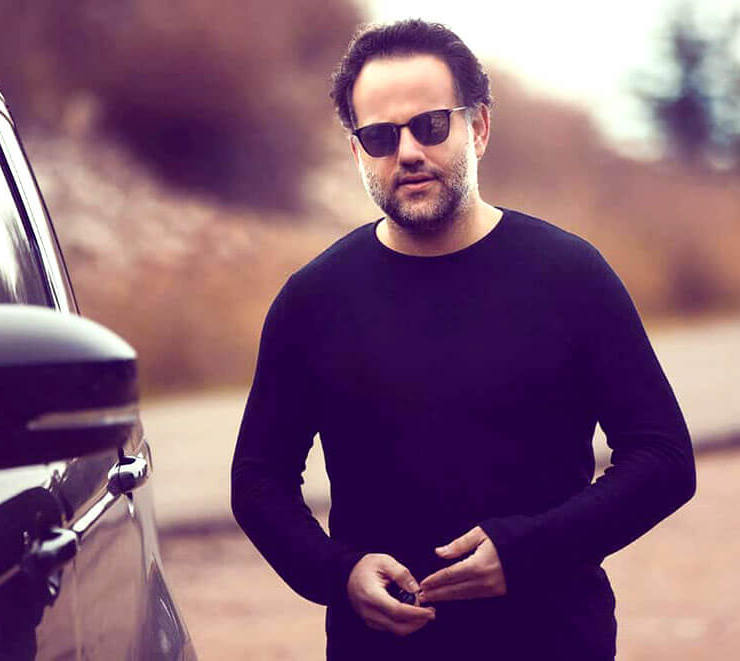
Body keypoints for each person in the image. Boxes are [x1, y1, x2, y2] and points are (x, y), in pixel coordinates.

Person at [230, 19, 696, 660]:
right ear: (357, 152)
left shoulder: (569, 275)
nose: (407, 152)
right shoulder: (313, 300)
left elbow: (664, 459)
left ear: (477, 127)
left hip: (555, 643)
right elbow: (258, 481)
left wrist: (531, 551)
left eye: (430, 125)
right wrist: (337, 573)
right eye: (380, 136)